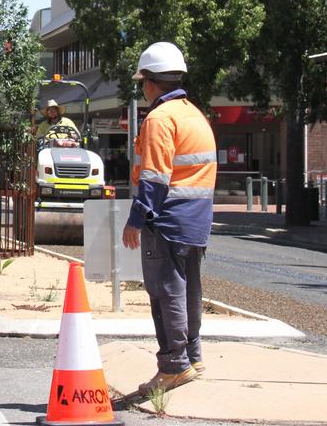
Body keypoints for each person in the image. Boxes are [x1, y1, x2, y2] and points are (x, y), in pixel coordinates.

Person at [121, 41, 217, 396]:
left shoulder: (160, 119)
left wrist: (136, 218)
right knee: (189, 288)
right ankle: (193, 355)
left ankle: (174, 366)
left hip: (167, 220)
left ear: (149, 81)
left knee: (165, 292)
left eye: (142, 82)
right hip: (195, 220)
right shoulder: (194, 113)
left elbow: (155, 177)